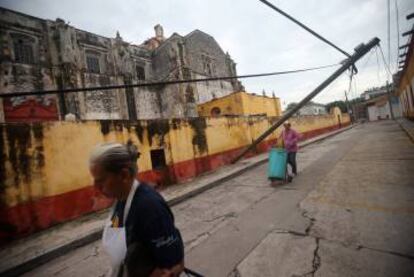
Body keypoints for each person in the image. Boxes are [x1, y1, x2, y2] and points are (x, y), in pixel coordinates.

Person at [89, 141, 184, 277]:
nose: (96, 187)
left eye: (101, 180)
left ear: (124, 175)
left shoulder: (149, 207)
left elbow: (173, 264)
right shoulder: (121, 201)